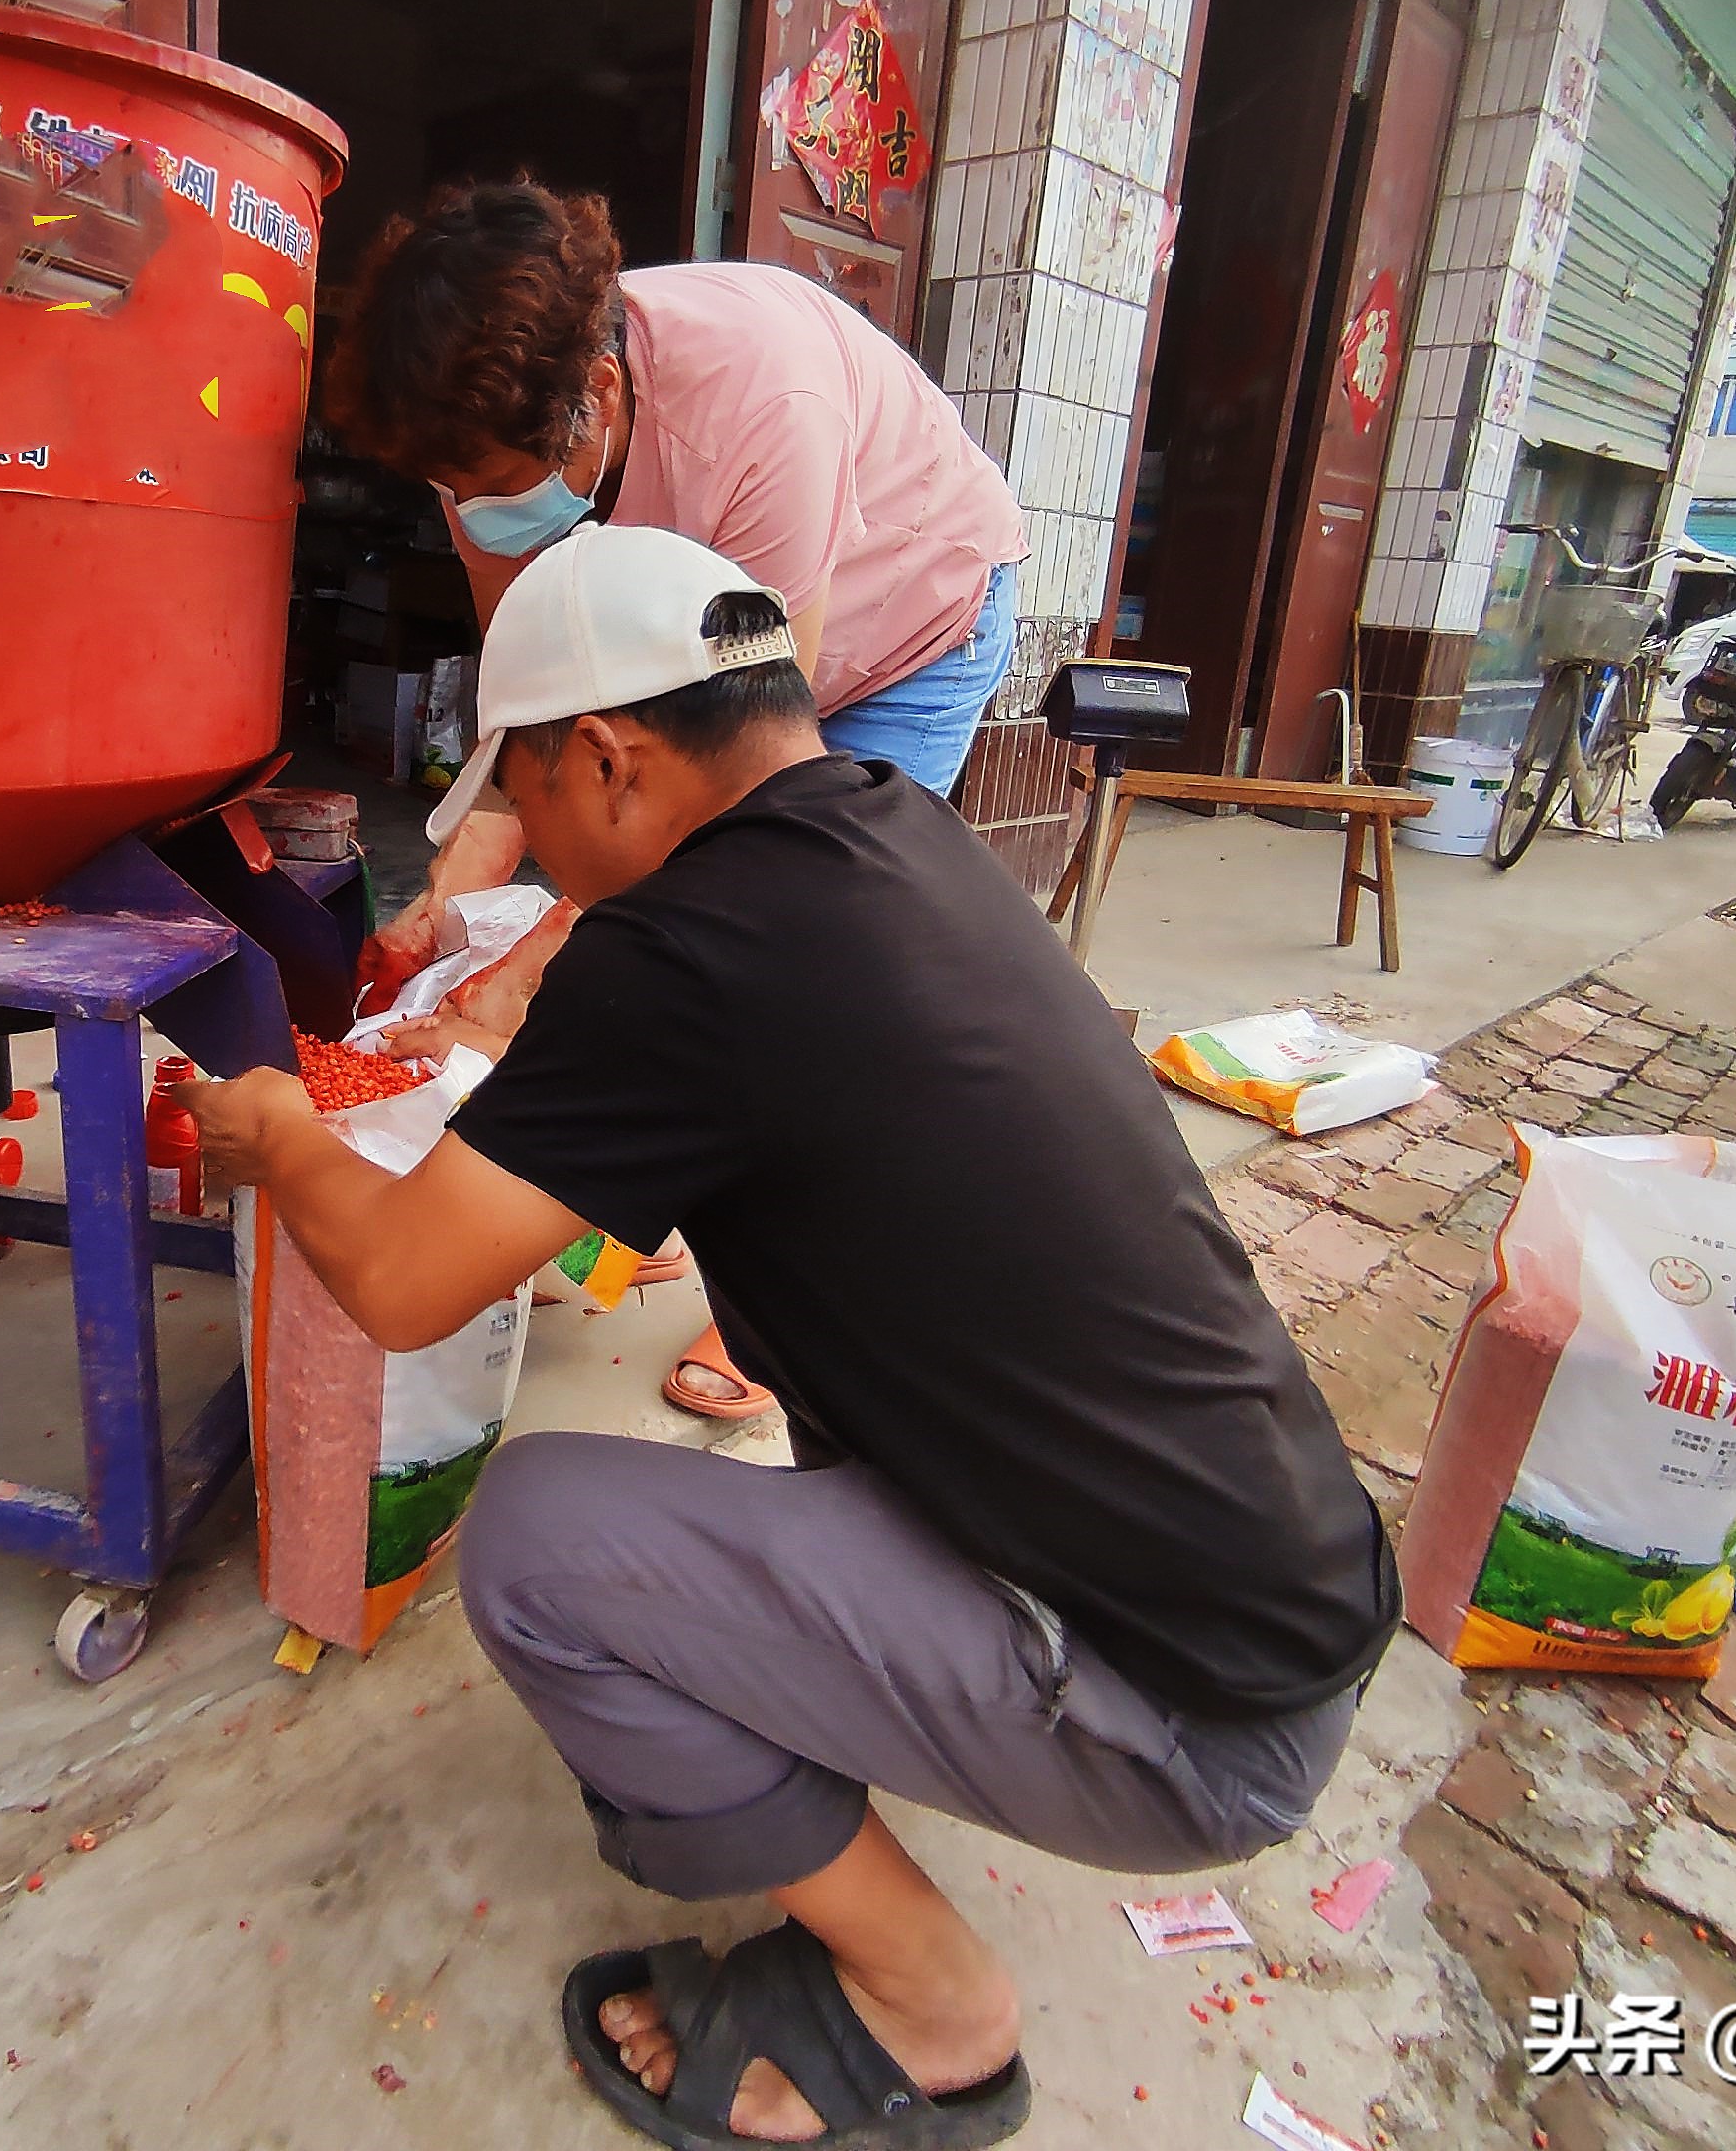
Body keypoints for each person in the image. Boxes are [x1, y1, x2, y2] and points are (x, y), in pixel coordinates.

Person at [180, 527, 1397, 2151]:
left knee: (539, 1542)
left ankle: (932, 2009)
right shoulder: (893, 834)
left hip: (1192, 1722)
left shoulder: (683, 949)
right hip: (1275, 1600)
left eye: (522, 796)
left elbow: (403, 1283)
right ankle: (918, 1745)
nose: (532, 845)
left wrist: (282, 1136)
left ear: (605, 758)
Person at [328, 177, 1031, 1423]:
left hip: (903, 620)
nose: (476, 513)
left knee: (803, 946)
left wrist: (531, 972)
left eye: (493, 484)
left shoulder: (762, 413)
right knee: (652, 942)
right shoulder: (480, 431)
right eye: (452, 488)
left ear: (598, 397)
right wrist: (453, 896)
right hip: (731, 655)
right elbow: (538, 712)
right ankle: (629, 1198)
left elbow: (733, 788)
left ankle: (785, 1305)